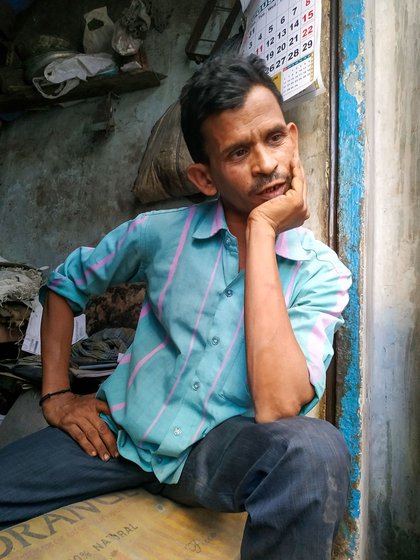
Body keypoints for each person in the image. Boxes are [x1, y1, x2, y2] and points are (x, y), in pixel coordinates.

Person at [0, 54, 351, 559]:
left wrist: (262, 233)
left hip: (211, 458)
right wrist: (56, 395)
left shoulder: (322, 273)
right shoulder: (160, 234)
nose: (267, 164)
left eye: (275, 138)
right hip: (115, 438)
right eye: (237, 152)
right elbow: (64, 285)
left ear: (293, 137)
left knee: (316, 451)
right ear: (205, 178)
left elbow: (277, 408)